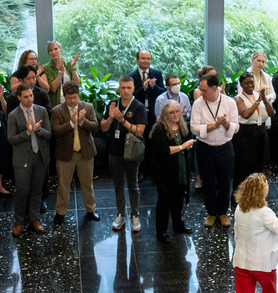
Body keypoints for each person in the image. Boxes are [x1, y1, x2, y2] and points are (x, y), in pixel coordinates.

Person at [191, 73, 240, 228]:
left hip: (225, 148)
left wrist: (225, 123)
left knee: (225, 181)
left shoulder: (229, 102)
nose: (201, 93)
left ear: (214, 88)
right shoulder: (198, 104)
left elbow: (236, 127)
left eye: (204, 90)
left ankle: (223, 213)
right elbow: (194, 127)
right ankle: (211, 213)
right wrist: (214, 125)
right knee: (208, 181)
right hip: (204, 147)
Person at [100, 76, 147, 233]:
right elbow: (103, 127)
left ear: (133, 88)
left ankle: (135, 215)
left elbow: (140, 131)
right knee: (118, 185)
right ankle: (120, 214)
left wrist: (123, 120)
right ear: (119, 89)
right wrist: (112, 118)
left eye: (129, 87)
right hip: (114, 151)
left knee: (133, 185)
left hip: (132, 152)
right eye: (123, 87)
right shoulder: (112, 104)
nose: (125, 91)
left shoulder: (138, 107)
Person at [51, 81, 100, 225]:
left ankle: (91, 210)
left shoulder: (88, 107)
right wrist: (71, 123)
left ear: (78, 95)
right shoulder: (57, 111)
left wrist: (82, 121)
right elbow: (55, 131)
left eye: (75, 97)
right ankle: (60, 212)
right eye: (69, 98)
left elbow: (95, 127)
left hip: (85, 153)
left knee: (87, 184)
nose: (72, 101)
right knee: (63, 185)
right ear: (64, 96)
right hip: (65, 154)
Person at [148, 100, 196, 241]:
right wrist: (182, 146)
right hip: (164, 172)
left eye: (177, 111)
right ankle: (161, 231)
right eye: (171, 112)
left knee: (178, 199)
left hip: (180, 169)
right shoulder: (159, 129)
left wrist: (186, 147)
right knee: (164, 202)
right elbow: (163, 150)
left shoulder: (182, 126)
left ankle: (178, 224)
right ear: (165, 114)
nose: (175, 115)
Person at [8, 85, 52, 237]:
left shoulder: (41, 111)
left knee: (37, 190)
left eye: (31, 95)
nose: (30, 99)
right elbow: (11, 139)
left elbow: (49, 134)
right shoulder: (13, 115)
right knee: (22, 191)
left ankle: (35, 219)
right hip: (22, 159)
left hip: (40, 156)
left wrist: (38, 130)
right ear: (19, 97)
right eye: (26, 96)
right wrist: (27, 132)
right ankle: (18, 221)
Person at [233, 72, 273, 190]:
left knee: (259, 164)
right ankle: (240, 194)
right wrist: (257, 102)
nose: (250, 85)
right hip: (246, 133)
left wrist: (265, 100)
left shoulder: (259, 95)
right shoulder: (238, 98)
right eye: (247, 83)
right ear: (241, 85)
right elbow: (245, 114)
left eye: (252, 82)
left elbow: (272, 113)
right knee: (244, 165)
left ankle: (256, 192)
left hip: (261, 131)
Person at [130, 50, 166, 121]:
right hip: (138, 111)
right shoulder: (131, 76)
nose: (146, 61)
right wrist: (143, 88)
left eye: (148, 59)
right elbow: (131, 96)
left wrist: (154, 87)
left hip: (154, 111)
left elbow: (163, 93)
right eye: (143, 58)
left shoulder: (157, 74)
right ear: (137, 60)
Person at [42, 41, 79, 107]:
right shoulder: (47, 68)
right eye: (50, 50)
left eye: (55, 49)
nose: (53, 52)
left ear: (60, 50)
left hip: (72, 101)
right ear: (48, 53)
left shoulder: (69, 63)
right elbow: (53, 88)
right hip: (57, 103)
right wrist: (61, 73)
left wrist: (72, 67)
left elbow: (76, 84)